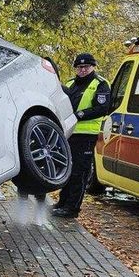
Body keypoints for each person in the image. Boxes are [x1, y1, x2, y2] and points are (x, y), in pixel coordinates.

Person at [52, 53, 112, 219]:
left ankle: (72, 208)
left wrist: (79, 114)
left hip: (86, 135)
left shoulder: (100, 84)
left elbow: (101, 108)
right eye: (79, 67)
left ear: (93, 67)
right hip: (69, 133)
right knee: (68, 170)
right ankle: (62, 203)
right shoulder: (70, 83)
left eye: (86, 67)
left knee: (79, 172)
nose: (83, 70)